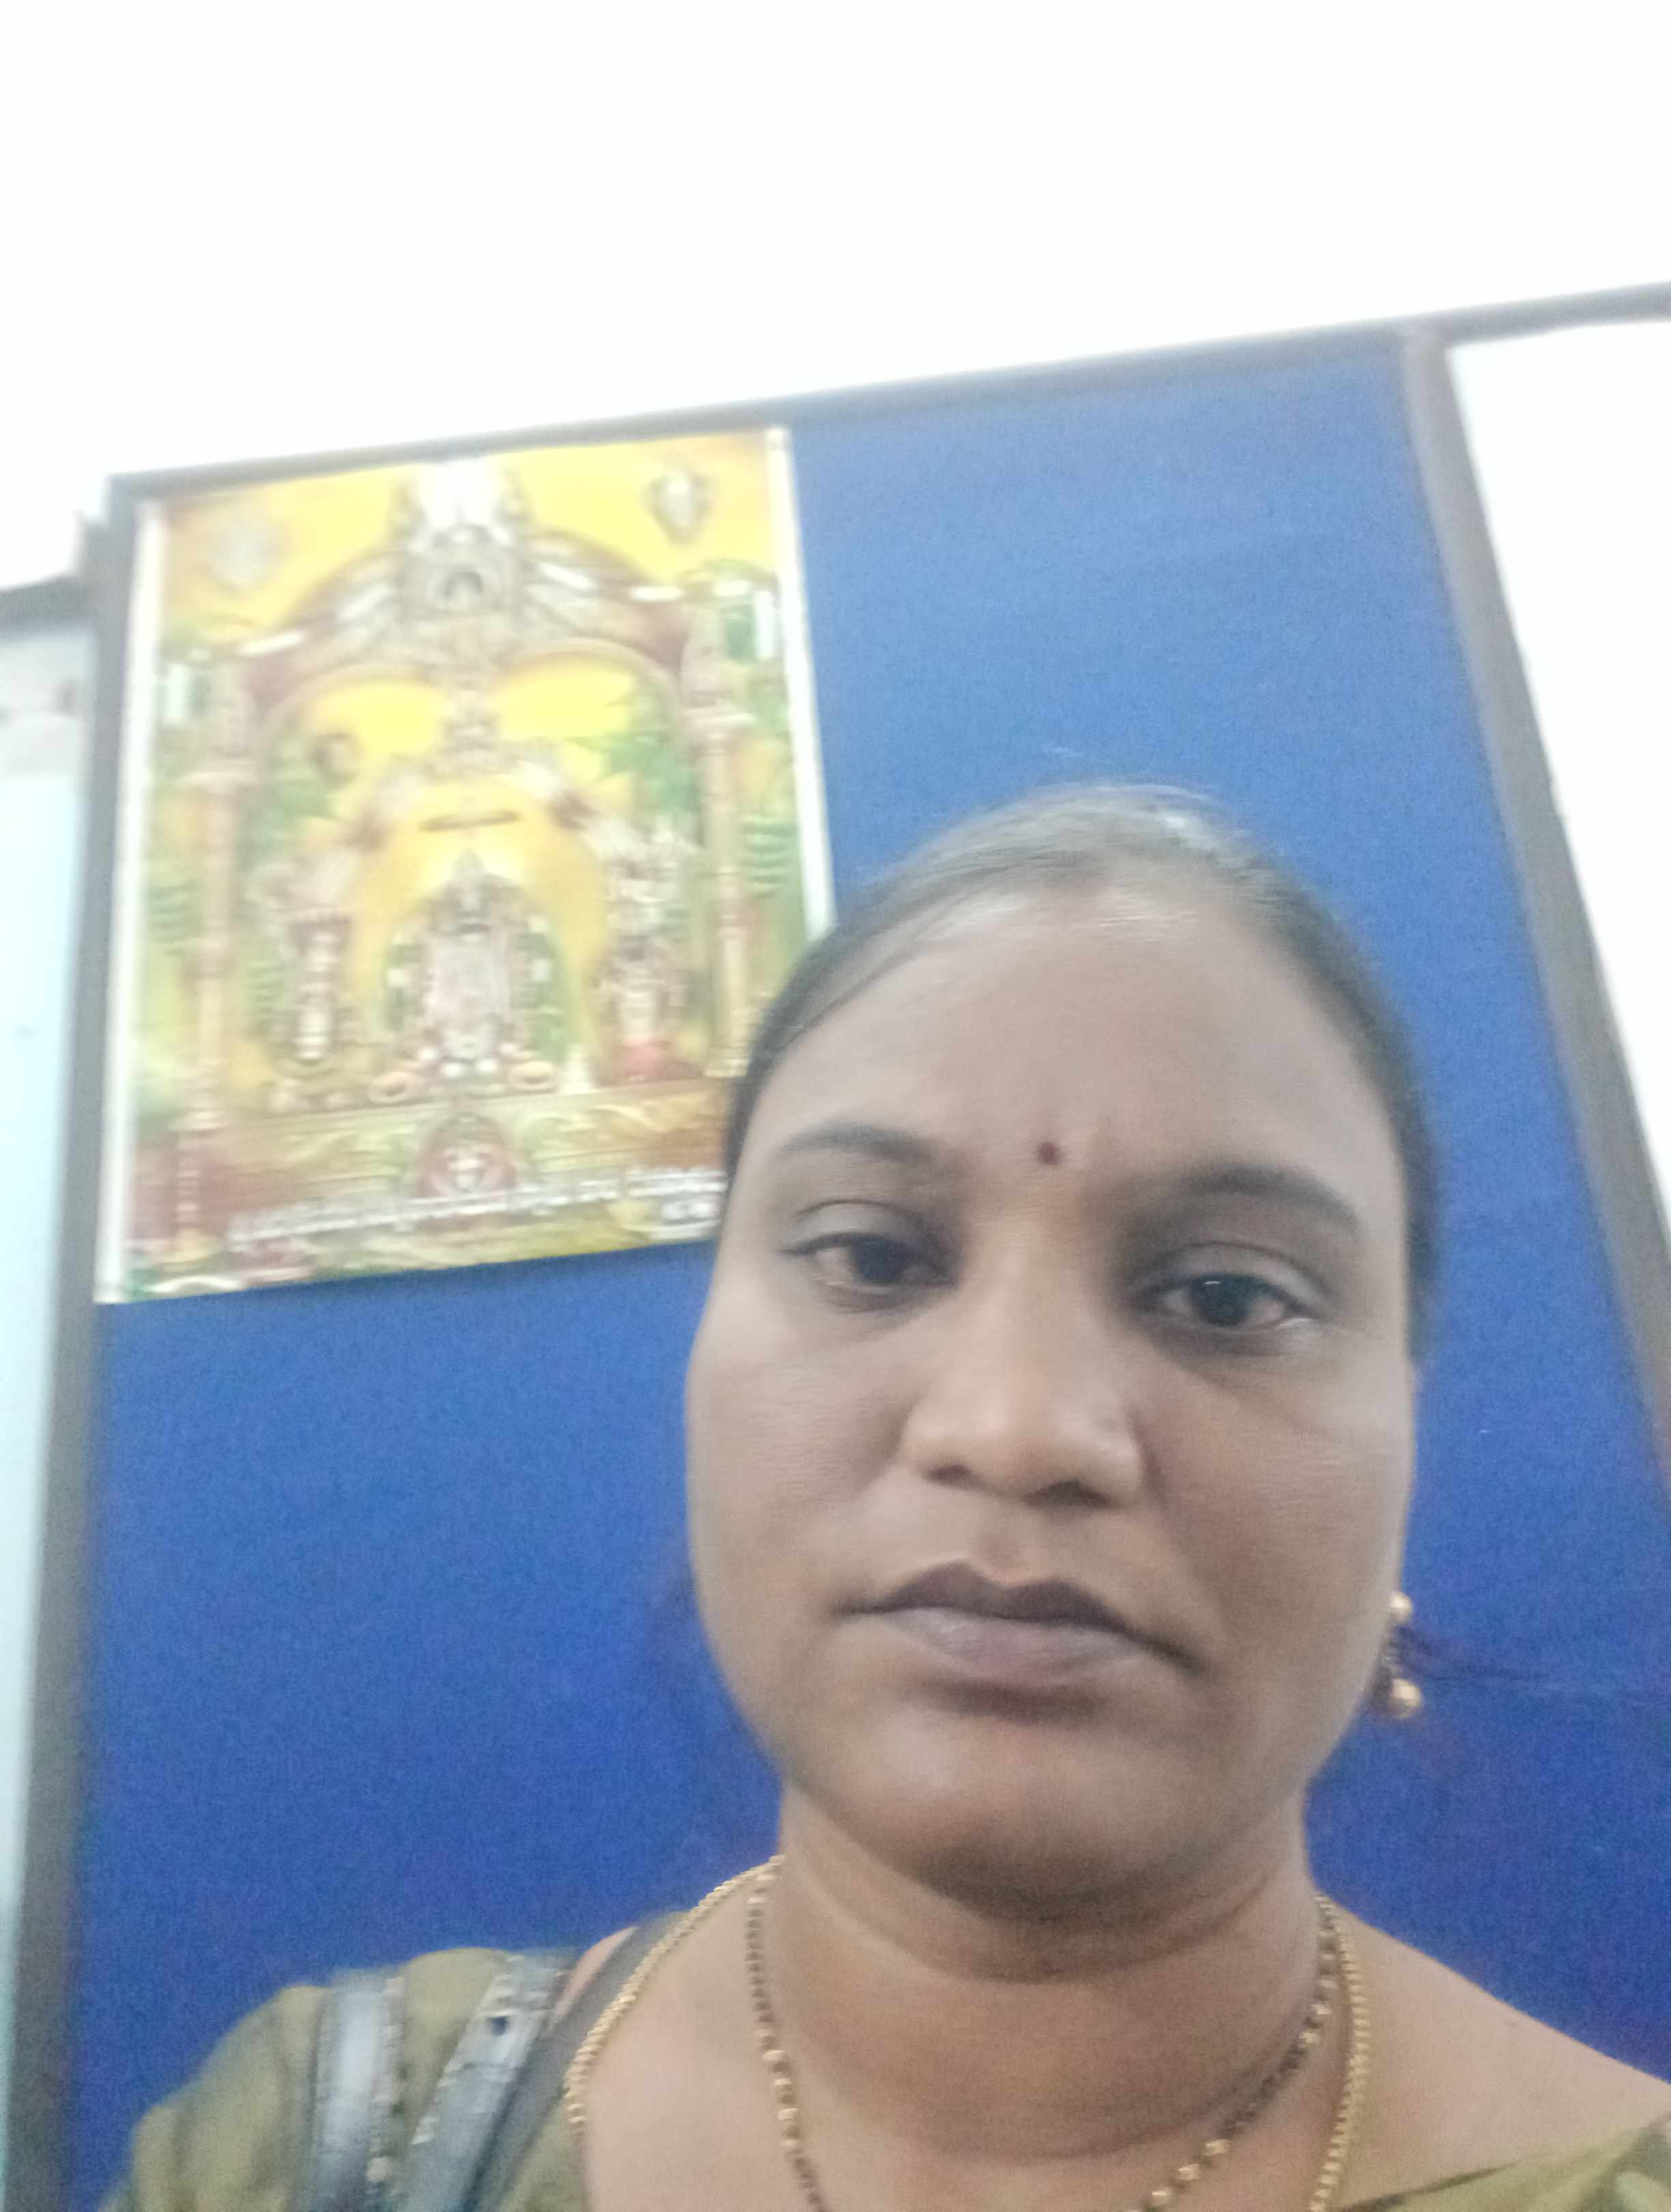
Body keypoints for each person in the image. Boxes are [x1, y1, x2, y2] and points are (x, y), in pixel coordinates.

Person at [112, 788, 1670, 2211]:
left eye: (1224, 1295)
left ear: (1410, 1424)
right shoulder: (320, 2147)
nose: (1016, 1430)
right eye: (871, 1255)